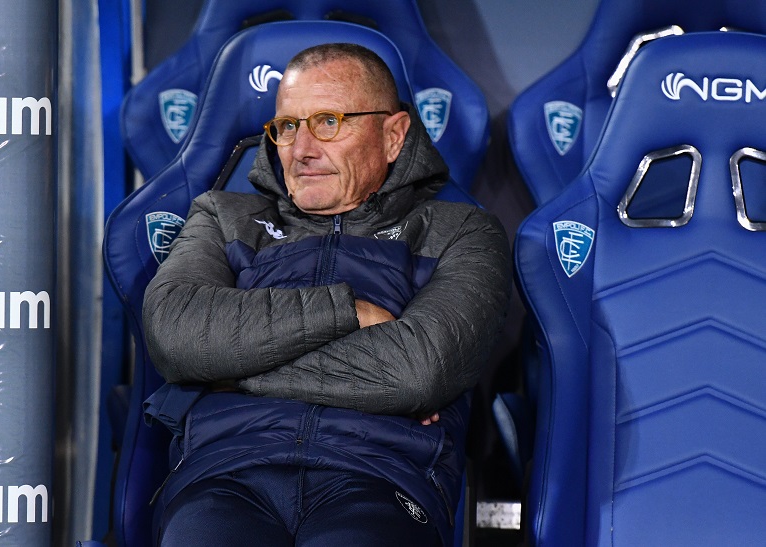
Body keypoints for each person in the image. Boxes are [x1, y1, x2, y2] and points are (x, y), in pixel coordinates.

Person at [142, 42, 511, 546]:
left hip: (380, 475)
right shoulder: (223, 216)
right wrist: (346, 311)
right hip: (223, 469)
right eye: (287, 126)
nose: (301, 150)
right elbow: (175, 335)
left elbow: (416, 372)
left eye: (328, 122)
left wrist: (224, 368)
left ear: (393, 135)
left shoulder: (461, 232)